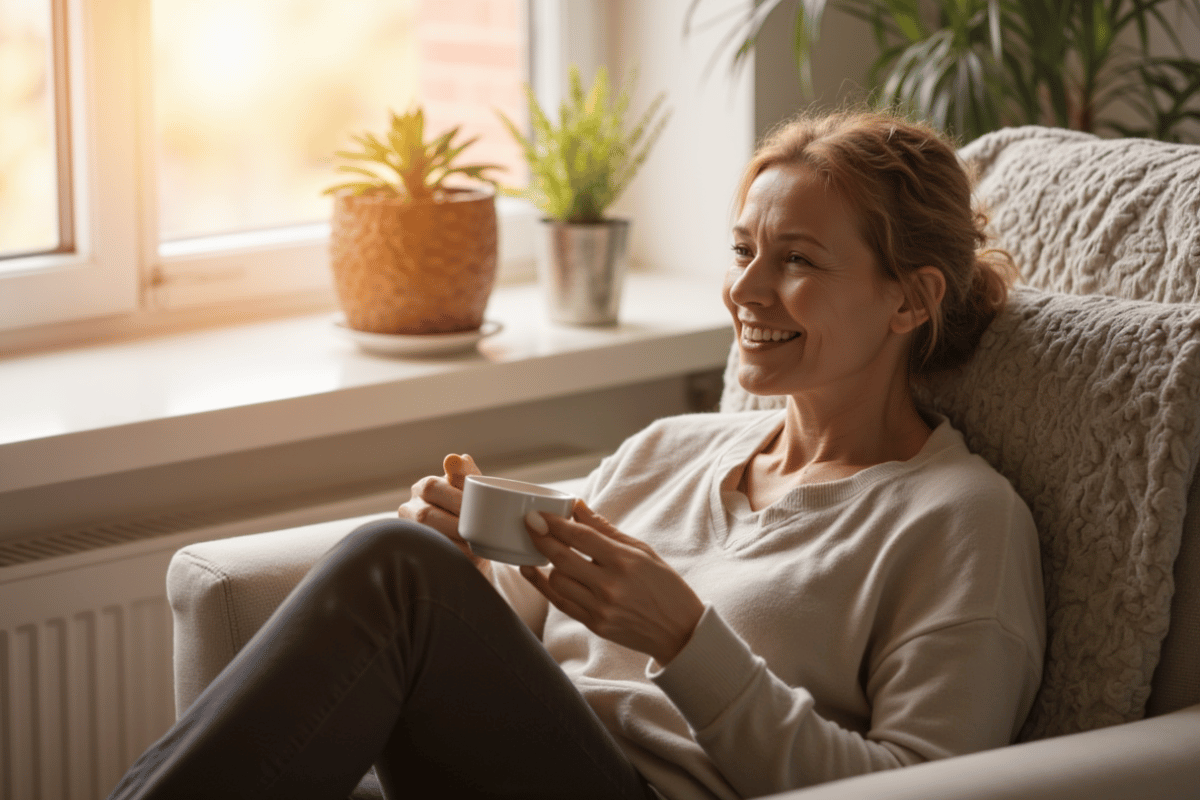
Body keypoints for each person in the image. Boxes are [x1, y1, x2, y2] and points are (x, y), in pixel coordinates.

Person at [107, 110, 1045, 800]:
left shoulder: (960, 519)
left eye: (796, 260)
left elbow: (923, 785)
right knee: (406, 562)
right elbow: (503, 643)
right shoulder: (668, 452)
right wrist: (467, 559)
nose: (746, 288)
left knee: (396, 573)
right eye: (742, 250)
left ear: (911, 299)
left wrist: (687, 641)